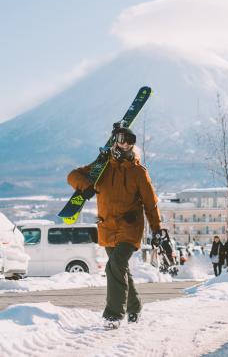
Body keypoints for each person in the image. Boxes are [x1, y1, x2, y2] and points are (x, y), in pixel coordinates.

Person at [67, 123, 162, 329]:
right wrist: (86, 187)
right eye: (121, 140)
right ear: (115, 141)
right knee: (119, 269)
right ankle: (134, 307)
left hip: (130, 228)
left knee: (115, 266)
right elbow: (72, 175)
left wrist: (157, 230)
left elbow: (150, 203)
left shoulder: (138, 172)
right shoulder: (102, 167)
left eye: (130, 141)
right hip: (107, 227)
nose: (125, 144)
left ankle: (113, 315)